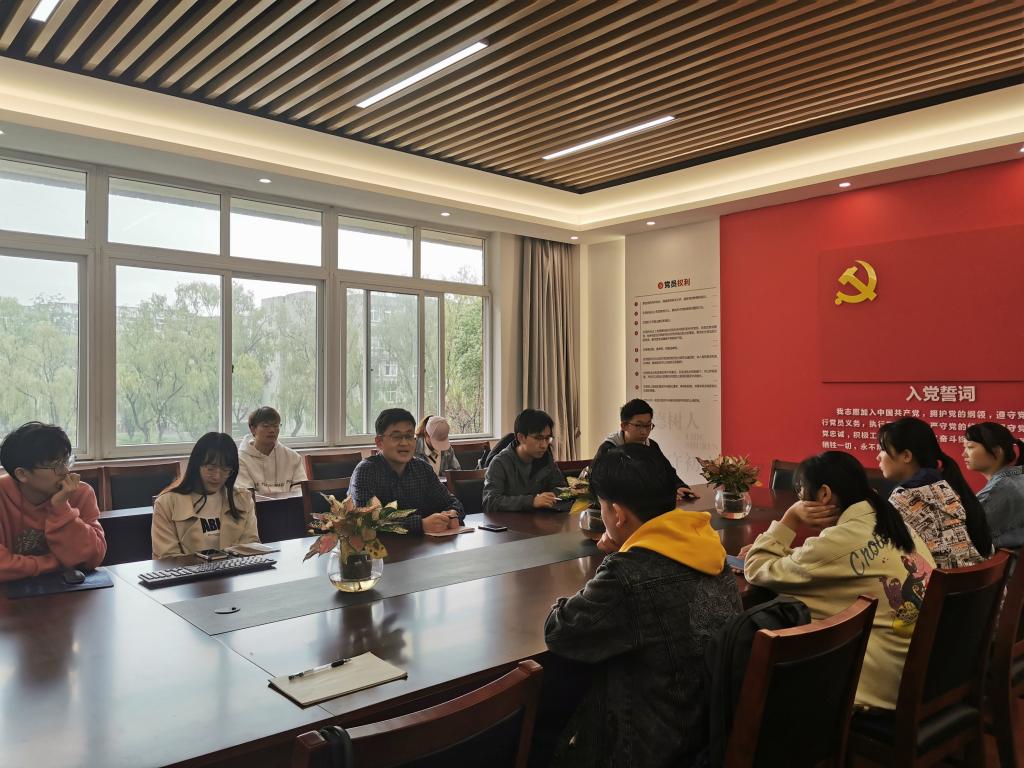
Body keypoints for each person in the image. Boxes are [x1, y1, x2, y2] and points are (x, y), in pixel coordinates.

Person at [544, 443, 741, 767]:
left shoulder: (626, 575)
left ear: (618, 514)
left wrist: (618, 560)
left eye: (602, 507)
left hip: (649, 747)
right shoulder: (708, 548)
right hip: (708, 734)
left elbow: (560, 632)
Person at [743, 451, 935, 711]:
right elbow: (830, 559)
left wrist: (791, 517)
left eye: (800, 494)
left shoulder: (838, 542)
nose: (800, 500)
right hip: (924, 673)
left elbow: (755, 568)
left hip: (877, 689)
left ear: (823, 494)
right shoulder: (890, 521)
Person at [877, 417, 991, 568]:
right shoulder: (947, 483)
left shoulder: (903, 497)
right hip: (975, 578)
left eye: (883, 449)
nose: (878, 456)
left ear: (906, 456)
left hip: (941, 581)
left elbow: (880, 549)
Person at [0, 422, 106, 581]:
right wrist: (58, 563)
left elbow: (93, 558)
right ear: (22, 474)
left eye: (65, 461)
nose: (66, 471)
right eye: (56, 465)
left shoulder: (80, 493)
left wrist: (61, 507)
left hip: (71, 592)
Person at [348, 408, 464, 534]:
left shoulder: (422, 469)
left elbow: (452, 502)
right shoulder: (365, 471)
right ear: (379, 442)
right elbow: (368, 520)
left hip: (424, 545)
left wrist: (453, 514)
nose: (404, 443)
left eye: (409, 436)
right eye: (396, 437)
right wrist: (420, 524)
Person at [152, 432, 259, 558]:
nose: (217, 476)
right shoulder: (167, 503)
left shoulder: (243, 499)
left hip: (235, 570)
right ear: (196, 465)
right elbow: (167, 558)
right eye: (210, 468)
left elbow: (251, 548)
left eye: (225, 470)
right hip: (188, 571)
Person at [594, 398, 698, 501]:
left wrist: (678, 486)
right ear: (624, 426)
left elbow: (666, 471)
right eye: (638, 425)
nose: (644, 432)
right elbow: (600, 484)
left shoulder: (651, 446)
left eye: (648, 425)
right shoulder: (609, 449)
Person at [482, 408, 565, 513]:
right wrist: (532, 501)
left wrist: (552, 496)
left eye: (547, 438)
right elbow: (490, 502)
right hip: (509, 522)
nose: (544, 445)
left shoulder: (546, 458)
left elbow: (561, 488)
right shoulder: (500, 463)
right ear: (521, 437)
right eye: (538, 438)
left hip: (540, 520)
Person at [963, 421, 1024, 549]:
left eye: (970, 447)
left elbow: (963, 536)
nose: (964, 454)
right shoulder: (1017, 477)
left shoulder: (998, 491)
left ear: (996, 451)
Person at [235, 406, 307, 493]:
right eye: (266, 426)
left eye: (275, 426)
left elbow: (301, 489)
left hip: (291, 501)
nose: (272, 430)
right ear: (253, 429)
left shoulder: (293, 457)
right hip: (256, 502)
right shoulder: (241, 459)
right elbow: (245, 495)